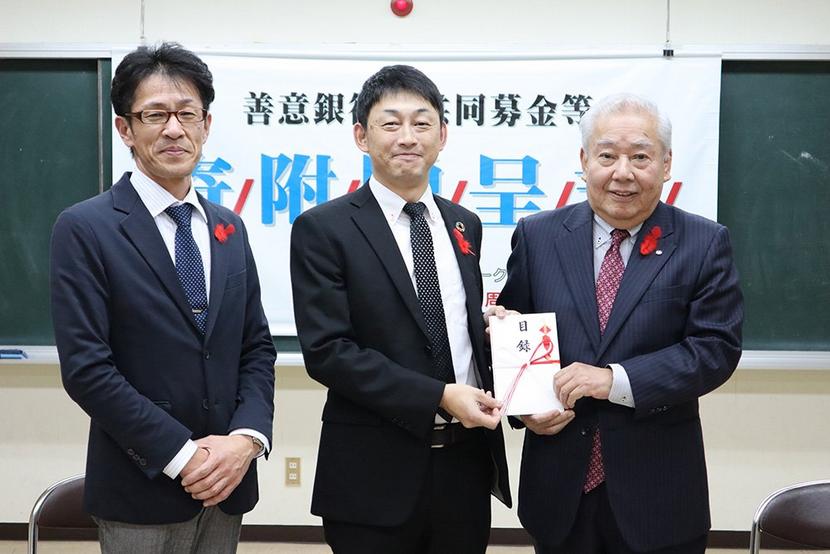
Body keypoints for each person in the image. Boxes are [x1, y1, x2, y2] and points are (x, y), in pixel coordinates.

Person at [50, 42, 276, 554]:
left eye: (187, 114)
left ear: (206, 125)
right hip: (141, 484)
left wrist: (246, 440)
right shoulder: (85, 228)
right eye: (155, 114)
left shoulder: (228, 227)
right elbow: (87, 369)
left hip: (227, 482)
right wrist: (183, 455)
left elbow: (256, 348)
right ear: (125, 128)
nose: (174, 129)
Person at [494, 93, 743, 554]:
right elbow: (515, 335)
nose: (622, 172)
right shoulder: (537, 235)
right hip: (559, 489)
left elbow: (715, 350)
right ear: (584, 161)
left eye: (640, 157)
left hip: (660, 492)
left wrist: (614, 380)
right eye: (607, 156)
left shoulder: (703, 242)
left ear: (666, 164)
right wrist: (523, 407)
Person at [290, 64, 511, 554]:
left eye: (421, 122)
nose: (407, 137)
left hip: (465, 467)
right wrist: (439, 396)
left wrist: (489, 331)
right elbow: (328, 352)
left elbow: (444, 323)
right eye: (390, 123)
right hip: (372, 473)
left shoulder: (465, 223)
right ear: (361, 136)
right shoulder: (324, 229)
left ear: (442, 135)